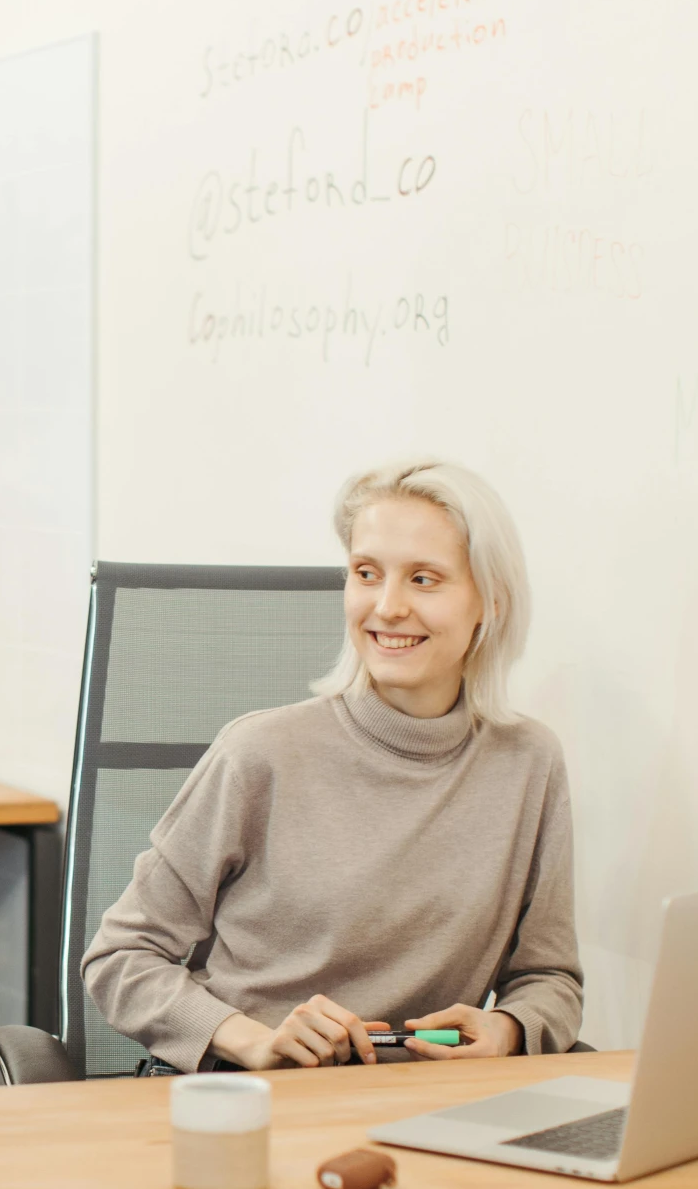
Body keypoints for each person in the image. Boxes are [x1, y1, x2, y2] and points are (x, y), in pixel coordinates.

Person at [82, 459, 581, 1073]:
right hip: (244, 1092)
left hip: (418, 1101)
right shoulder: (258, 753)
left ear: (491, 602)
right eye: (366, 574)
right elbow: (120, 957)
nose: (388, 606)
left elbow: (550, 978)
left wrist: (506, 1028)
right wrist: (249, 1039)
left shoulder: (529, 763)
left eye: (424, 579)